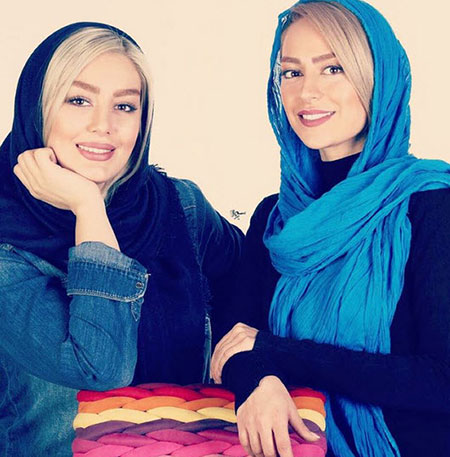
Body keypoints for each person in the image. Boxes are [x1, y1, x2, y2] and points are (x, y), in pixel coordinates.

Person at [210, 1, 450, 456]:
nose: (307, 92)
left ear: (379, 78)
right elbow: (234, 339)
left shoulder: (432, 205)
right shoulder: (274, 217)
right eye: (292, 72)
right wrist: (260, 379)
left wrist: (280, 353)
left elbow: (442, 380)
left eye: (333, 68)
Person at [0, 22, 242, 456]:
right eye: (78, 100)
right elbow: (98, 368)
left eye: (125, 106)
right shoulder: (7, 251)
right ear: (36, 108)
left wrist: (255, 369)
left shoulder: (178, 207)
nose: (103, 125)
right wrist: (88, 208)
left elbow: (253, 279)